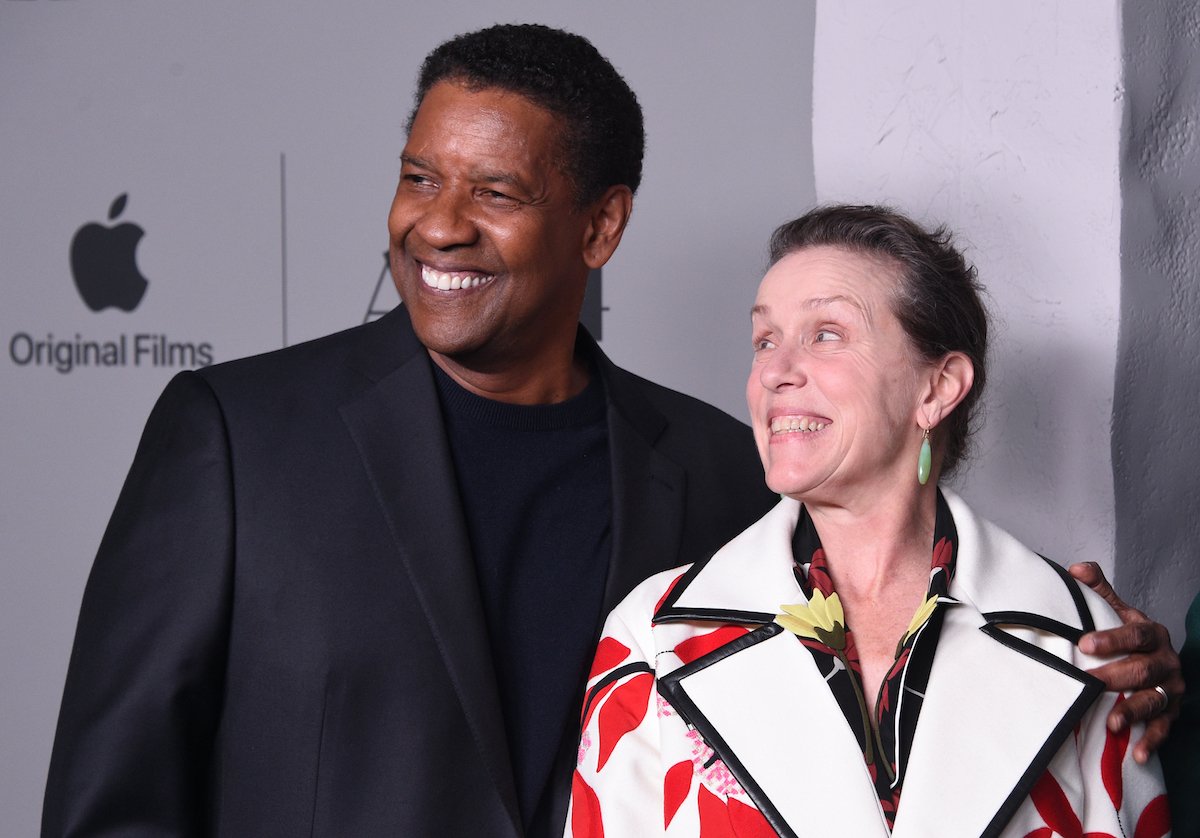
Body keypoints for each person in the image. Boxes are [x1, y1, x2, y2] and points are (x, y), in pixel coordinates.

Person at [42, 25, 1176, 838]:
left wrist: (1138, 678)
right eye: (419, 176)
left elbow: (923, 676)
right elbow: (113, 798)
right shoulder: (238, 436)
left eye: (495, 192)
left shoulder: (726, 472)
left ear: (601, 223)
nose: (438, 222)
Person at [568, 205, 1171, 837]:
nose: (774, 371)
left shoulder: (1086, 643)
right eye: (765, 340)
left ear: (936, 388)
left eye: (826, 333)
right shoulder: (650, 638)